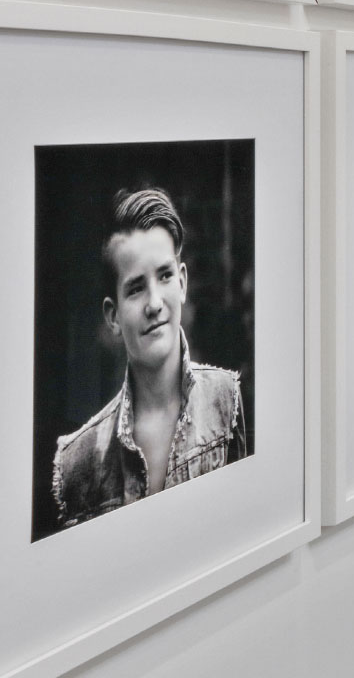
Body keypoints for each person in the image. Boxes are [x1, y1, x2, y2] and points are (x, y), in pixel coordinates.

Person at [51, 189, 249, 531]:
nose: (155, 302)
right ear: (113, 316)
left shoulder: (226, 399)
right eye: (136, 287)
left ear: (183, 283)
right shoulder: (77, 461)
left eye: (165, 276)